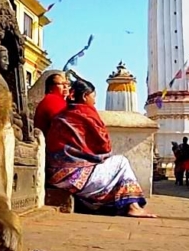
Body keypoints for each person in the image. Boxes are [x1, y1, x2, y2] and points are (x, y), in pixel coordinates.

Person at [45, 79, 156, 218]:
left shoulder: (61, 116)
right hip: (76, 178)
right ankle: (133, 206)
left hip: (55, 177)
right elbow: (104, 147)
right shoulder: (87, 113)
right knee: (121, 162)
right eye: (93, 96)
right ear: (85, 96)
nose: (95, 101)